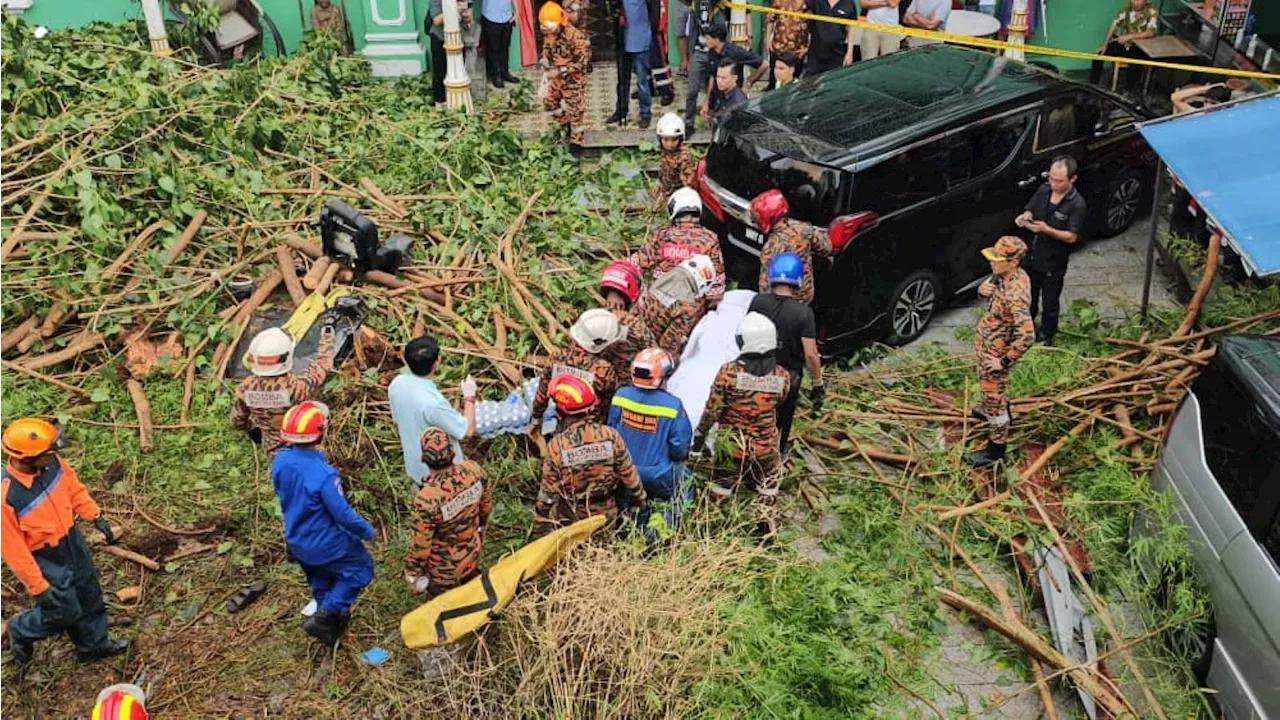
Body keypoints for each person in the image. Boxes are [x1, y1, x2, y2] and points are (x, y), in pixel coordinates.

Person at [1, 418, 129, 664]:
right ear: (27, 459)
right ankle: (19, 630)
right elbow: (14, 552)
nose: (54, 455)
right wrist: (39, 587)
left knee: (88, 592)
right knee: (62, 611)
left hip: (71, 540)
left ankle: (93, 645)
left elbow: (73, 489)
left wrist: (94, 515)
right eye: (48, 453)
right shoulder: (6, 496)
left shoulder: (53, 465)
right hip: (44, 558)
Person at [272, 401, 376, 645]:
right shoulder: (325, 475)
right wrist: (367, 531)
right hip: (326, 541)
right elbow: (343, 514)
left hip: (297, 538)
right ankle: (326, 615)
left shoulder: (280, 461)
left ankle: (332, 621)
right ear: (320, 433)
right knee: (360, 569)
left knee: (320, 577)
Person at [692, 312, 791, 537]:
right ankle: (764, 529)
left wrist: (700, 437)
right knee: (767, 486)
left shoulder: (728, 373)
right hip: (764, 448)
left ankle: (713, 527)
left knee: (721, 486)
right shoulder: (782, 376)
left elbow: (712, 410)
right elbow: (781, 401)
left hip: (732, 446)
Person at [534, 375, 647, 533]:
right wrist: (639, 501)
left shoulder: (557, 447)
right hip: (605, 516)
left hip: (570, 518)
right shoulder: (611, 436)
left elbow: (547, 495)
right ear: (591, 407)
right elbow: (630, 477)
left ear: (560, 413)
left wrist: (540, 525)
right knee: (604, 554)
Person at [748, 253, 824, 458]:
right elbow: (810, 354)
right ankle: (775, 459)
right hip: (786, 380)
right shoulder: (803, 313)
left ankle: (747, 454)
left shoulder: (758, 302)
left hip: (755, 372)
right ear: (799, 280)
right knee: (781, 423)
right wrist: (817, 384)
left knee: (753, 418)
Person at [969, 237, 1035, 468]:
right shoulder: (1006, 276)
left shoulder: (1015, 294)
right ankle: (994, 409)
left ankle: (995, 451)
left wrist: (1003, 362)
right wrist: (982, 290)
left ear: (1014, 261)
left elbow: (1028, 335)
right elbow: (993, 299)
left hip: (995, 358)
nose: (992, 264)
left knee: (995, 403)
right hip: (988, 347)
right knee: (994, 397)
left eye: (998, 260)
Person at [404, 428, 492, 598]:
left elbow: (421, 546)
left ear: (423, 459)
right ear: (453, 452)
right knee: (475, 598)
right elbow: (486, 508)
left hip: (443, 572)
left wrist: (412, 574)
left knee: (448, 613)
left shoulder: (427, 501)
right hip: (472, 553)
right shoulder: (474, 471)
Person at [1014, 155, 1087, 345]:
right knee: (1029, 296)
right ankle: (1026, 330)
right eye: (1051, 178)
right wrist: (1026, 216)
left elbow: (1072, 236)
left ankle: (1047, 335)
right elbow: (1031, 208)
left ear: (1072, 179)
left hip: (1053, 261)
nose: (1053, 183)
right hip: (1032, 254)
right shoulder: (1044, 190)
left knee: (1050, 302)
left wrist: (1047, 230)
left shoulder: (1077, 204)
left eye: (1059, 180)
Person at [388, 335, 477, 489]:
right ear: (436, 364)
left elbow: (397, 420)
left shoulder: (396, 384)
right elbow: (467, 431)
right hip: (442, 475)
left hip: (416, 467)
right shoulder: (434, 404)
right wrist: (469, 396)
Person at [608, 348, 693, 506]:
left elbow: (611, 431)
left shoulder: (620, 396)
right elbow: (680, 447)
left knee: (627, 500)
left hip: (624, 470)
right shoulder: (673, 405)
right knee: (685, 487)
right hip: (658, 472)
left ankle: (626, 520)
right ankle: (669, 526)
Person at [231, 326, 334, 453]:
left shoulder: (245, 388)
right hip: (302, 444)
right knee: (321, 409)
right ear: (286, 358)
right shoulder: (296, 388)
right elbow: (323, 364)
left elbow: (237, 420)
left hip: (273, 450)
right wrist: (327, 338)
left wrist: (253, 428)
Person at [631, 186, 726, 307]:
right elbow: (716, 288)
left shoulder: (660, 236)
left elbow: (634, 267)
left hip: (658, 307)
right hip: (692, 310)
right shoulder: (710, 239)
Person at [530, 308, 626, 427]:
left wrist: (536, 419)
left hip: (562, 422)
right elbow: (609, 402)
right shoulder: (603, 370)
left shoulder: (557, 359)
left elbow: (542, 393)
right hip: (592, 427)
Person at [753, 188, 849, 304]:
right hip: (806, 295)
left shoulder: (770, 248)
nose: (755, 221)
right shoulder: (804, 229)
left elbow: (764, 289)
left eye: (756, 219)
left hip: (783, 304)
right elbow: (827, 247)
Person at [638, 254, 718, 358]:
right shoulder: (688, 307)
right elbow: (668, 344)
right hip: (645, 351)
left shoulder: (665, 277)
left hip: (632, 330)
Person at [540, 2, 591, 157]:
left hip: (574, 79)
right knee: (549, 102)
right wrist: (545, 63)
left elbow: (581, 63)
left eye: (548, 27)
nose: (546, 30)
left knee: (576, 113)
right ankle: (565, 123)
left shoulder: (575, 36)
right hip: (558, 78)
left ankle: (576, 143)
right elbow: (547, 52)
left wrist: (560, 70)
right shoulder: (550, 35)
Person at [599, 260, 656, 379]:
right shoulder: (636, 326)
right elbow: (653, 356)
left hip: (599, 380)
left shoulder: (592, 318)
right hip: (625, 385)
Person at [606, 0, 658, 128]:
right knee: (622, 80)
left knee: (642, 80)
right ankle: (621, 110)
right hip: (622, 39)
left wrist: (651, 32)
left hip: (640, 38)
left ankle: (645, 113)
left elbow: (654, 11)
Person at [682, 3, 730, 137]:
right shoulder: (694, 6)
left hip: (714, 52)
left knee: (716, 89)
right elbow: (691, 30)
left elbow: (723, 32)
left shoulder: (717, 7)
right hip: (698, 52)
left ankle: (715, 120)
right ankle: (689, 123)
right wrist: (691, 52)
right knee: (692, 90)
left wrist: (722, 51)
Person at [1089, 0, 1157, 88]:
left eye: (1139, 0)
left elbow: (1150, 33)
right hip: (1125, 44)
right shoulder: (1126, 10)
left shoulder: (1151, 12)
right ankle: (1093, 85)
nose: (1135, 2)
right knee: (1098, 55)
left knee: (1135, 65)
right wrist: (1104, 45)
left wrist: (1129, 36)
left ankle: (1128, 92)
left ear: (1146, 1)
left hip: (1140, 48)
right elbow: (1114, 25)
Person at [428, 0, 472, 104]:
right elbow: (437, 20)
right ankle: (440, 101)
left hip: (459, 38)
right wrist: (455, 8)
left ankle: (458, 99)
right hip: (440, 38)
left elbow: (469, 21)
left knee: (459, 69)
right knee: (440, 71)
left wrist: (466, 13)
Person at [701, 23, 766, 92]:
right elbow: (712, 77)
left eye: (708, 39)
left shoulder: (735, 51)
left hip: (734, 94)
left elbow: (764, 64)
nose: (705, 41)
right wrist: (707, 99)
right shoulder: (711, 53)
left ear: (717, 40)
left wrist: (748, 82)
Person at [764, 0, 809, 88]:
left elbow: (815, 26)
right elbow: (770, 19)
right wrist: (767, 39)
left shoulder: (808, 4)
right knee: (775, 75)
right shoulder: (779, 1)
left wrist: (808, 47)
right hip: (778, 46)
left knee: (794, 79)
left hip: (798, 49)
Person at [806, 0, 855, 76]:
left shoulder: (848, 3)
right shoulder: (816, 1)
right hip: (815, 55)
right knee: (809, 84)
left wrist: (850, 52)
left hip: (836, 54)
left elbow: (851, 27)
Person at [654, 113, 697, 199]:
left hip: (679, 198)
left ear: (680, 139)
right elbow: (663, 169)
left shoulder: (685, 158)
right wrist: (659, 184)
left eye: (674, 139)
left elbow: (688, 187)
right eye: (665, 139)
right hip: (666, 192)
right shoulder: (665, 151)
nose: (669, 144)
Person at [482, 0, 521, 88]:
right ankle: (495, 75)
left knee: (505, 47)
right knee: (493, 49)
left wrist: (517, 11)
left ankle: (505, 73)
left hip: (507, 17)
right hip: (491, 17)